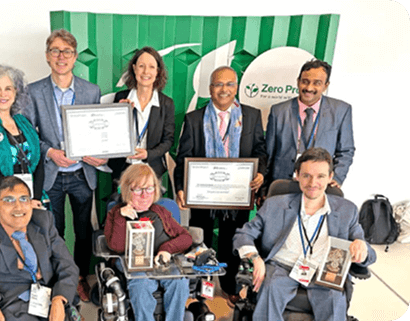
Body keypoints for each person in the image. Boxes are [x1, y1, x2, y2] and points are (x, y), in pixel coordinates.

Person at [233, 148, 376, 321]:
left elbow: (369, 253)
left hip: (324, 271)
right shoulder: (274, 205)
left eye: (320, 176)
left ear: (330, 177)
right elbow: (243, 235)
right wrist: (255, 258)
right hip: (281, 267)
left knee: (333, 297)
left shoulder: (347, 210)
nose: (312, 182)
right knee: (269, 287)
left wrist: (362, 249)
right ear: (297, 175)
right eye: (306, 175)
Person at [25, 28, 107, 301]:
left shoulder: (90, 90)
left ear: (75, 58)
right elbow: (28, 133)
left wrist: (100, 153)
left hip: (83, 174)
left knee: (83, 232)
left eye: (67, 52)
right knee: (54, 231)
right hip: (51, 175)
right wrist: (49, 152)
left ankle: (81, 277)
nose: (61, 56)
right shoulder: (33, 92)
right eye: (56, 51)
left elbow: (97, 130)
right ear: (48, 56)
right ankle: (60, 282)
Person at [174, 66, 267, 302]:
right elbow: (182, 158)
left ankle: (228, 286)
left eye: (229, 84)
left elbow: (260, 151)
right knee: (200, 241)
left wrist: (261, 174)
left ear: (236, 87)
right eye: (218, 84)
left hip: (237, 195)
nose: (224, 89)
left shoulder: (252, 115)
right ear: (210, 89)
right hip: (203, 195)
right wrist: (181, 188)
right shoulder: (194, 119)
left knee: (231, 241)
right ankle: (199, 287)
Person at [0, 176, 79, 321]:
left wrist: (59, 298)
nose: (18, 207)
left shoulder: (44, 221)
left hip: (50, 292)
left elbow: (67, 264)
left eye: (24, 199)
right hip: (13, 303)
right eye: (9, 200)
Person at [104, 163, 192, 321]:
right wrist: (120, 217)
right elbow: (116, 247)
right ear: (127, 190)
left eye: (149, 188)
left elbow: (186, 238)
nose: (145, 195)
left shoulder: (161, 212)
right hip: (134, 265)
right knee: (141, 286)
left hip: (163, 264)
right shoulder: (115, 213)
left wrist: (166, 249)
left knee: (180, 283)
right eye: (138, 189)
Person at [265, 59, 355, 190]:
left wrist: (336, 178)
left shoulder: (341, 111)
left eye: (317, 83)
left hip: (319, 186)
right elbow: (268, 153)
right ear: (298, 81)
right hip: (283, 184)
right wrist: (264, 188)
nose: (309, 88)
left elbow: (346, 150)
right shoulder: (278, 111)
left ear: (325, 85)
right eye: (305, 82)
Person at [0, 64, 45, 218]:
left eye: (8, 88)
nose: (3, 94)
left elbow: (39, 163)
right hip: (3, 200)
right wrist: (18, 200)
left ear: (15, 92)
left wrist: (34, 198)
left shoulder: (24, 122)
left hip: (32, 199)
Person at [108, 46, 175, 190]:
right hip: (123, 170)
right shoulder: (121, 98)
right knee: (122, 211)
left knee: (150, 212)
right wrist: (119, 114)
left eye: (151, 67)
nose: (146, 72)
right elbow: (110, 135)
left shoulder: (166, 103)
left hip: (152, 170)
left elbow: (168, 140)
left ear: (157, 71)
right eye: (141, 66)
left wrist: (148, 154)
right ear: (134, 69)